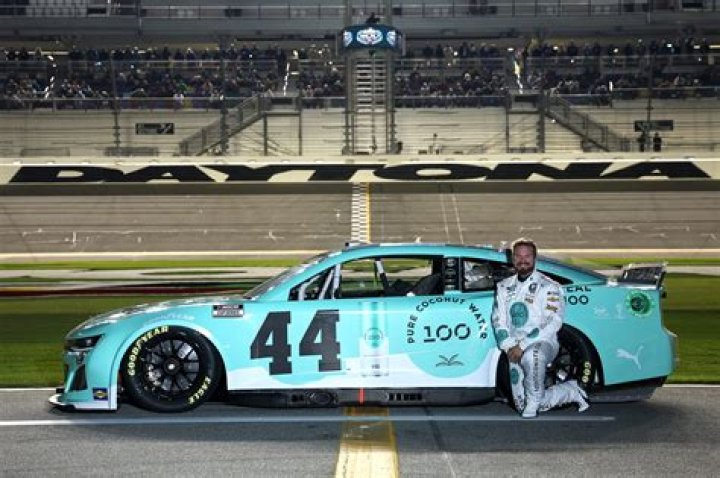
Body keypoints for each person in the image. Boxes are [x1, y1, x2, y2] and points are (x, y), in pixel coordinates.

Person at [491, 238, 589, 418]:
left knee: (532, 355)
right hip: (514, 347)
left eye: (527, 256)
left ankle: (533, 403)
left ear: (535, 258)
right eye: (518, 256)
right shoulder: (503, 287)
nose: (523, 260)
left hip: (543, 343)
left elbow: (554, 322)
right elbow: (498, 320)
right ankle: (570, 391)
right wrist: (509, 346)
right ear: (512, 259)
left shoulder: (549, 286)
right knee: (522, 405)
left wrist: (523, 345)